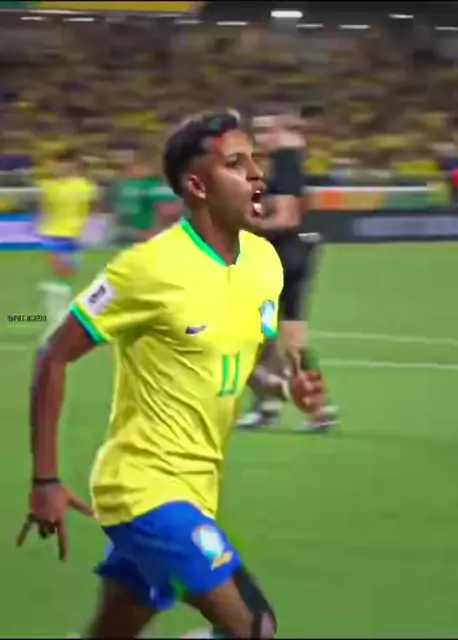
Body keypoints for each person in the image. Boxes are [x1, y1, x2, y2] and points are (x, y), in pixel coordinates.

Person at [17, 111, 325, 639]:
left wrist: (283, 387)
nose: (256, 174)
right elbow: (54, 354)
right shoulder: (148, 269)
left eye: (254, 160)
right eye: (236, 163)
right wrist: (45, 478)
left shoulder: (263, 264)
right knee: (253, 628)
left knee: (113, 630)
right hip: (143, 489)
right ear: (197, 186)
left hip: (199, 488)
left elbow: (237, 358)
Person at [237, 111, 340, 434]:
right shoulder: (286, 164)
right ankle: (312, 410)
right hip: (294, 255)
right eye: (258, 129)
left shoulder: (286, 166)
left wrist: (246, 225)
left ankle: (280, 404)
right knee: (280, 335)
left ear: (285, 132)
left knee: (264, 334)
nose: (261, 136)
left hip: (282, 259)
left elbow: (286, 218)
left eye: (267, 129)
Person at [36, 149, 99, 339]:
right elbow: (44, 209)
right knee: (60, 273)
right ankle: (57, 321)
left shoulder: (85, 187)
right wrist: (41, 228)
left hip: (76, 236)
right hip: (53, 234)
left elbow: (92, 210)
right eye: (56, 164)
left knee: (68, 277)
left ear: (74, 165)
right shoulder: (48, 186)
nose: (58, 168)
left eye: (63, 164)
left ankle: (65, 318)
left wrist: (90, 231)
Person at [110, 149, 183, 246]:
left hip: (147, 234)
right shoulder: (124, 185)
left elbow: (172, 209)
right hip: (127, 231)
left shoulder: (155, 186)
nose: (129, 170)